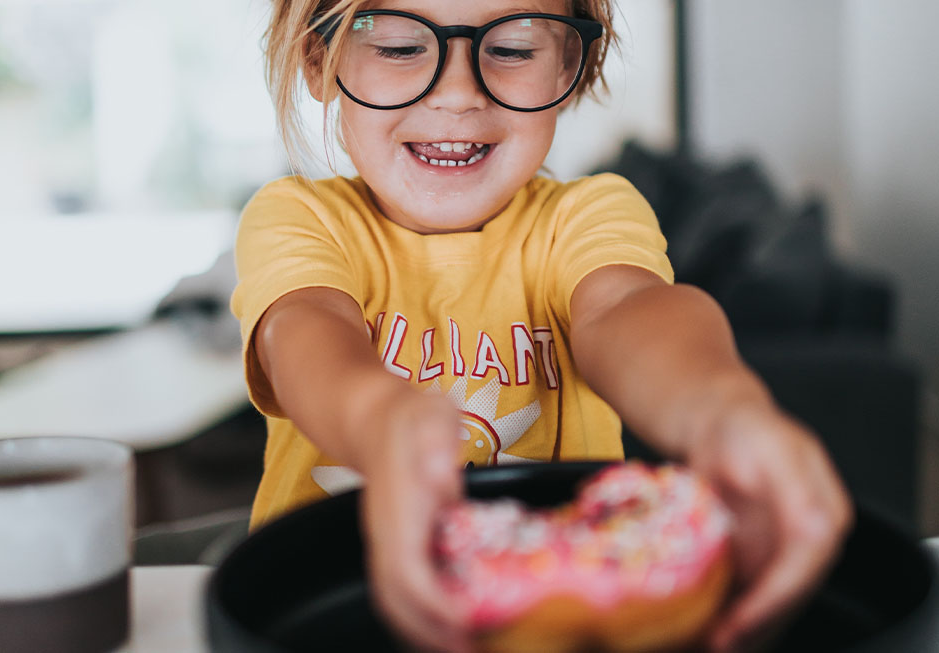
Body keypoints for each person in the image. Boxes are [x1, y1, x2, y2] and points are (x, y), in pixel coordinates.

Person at [230, 1, 853, 650]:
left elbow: (627, 309)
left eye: (512, 49)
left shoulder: (587, 215)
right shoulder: (298, 217)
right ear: (317, 59)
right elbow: (303, 331)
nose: (458, 92)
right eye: (397, 47)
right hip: (326, 610)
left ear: (567, 68)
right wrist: (378, 417)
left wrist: (721, 408)